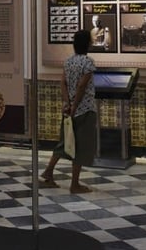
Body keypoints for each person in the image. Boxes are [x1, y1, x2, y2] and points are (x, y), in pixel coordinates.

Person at [39, 29, 96, 194]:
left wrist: (67, 103)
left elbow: (63, 83)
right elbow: (82, 86)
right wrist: (76, 106)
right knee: (80, 146)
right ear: (88, 44)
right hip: (84, 109)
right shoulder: (88, 62)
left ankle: (48, 172)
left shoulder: (68, 61)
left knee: (64, 142)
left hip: (68, 109)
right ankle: (75, 184)